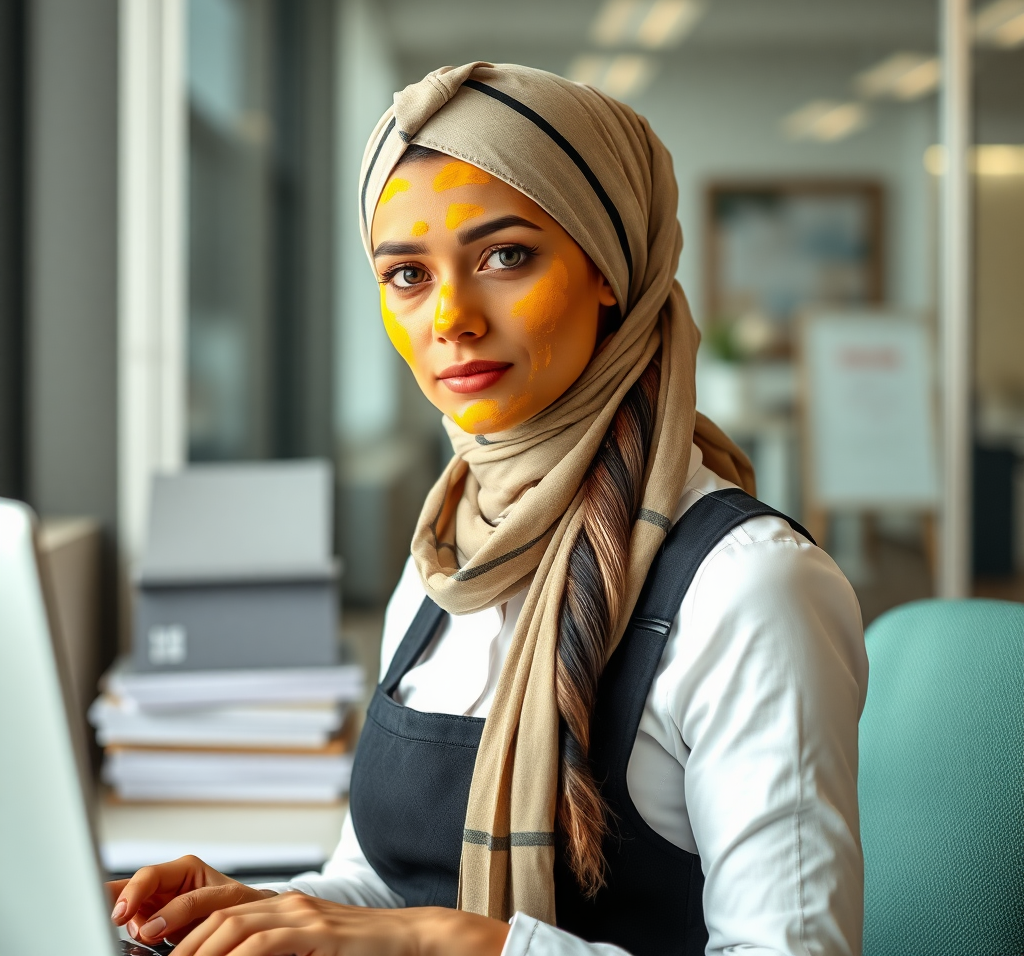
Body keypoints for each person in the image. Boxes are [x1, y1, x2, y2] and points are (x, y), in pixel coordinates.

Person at [109, 62, 868, 956]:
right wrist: (266, 913)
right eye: (406, 275)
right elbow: (383, 883)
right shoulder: (449, 553)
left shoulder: (750, 589)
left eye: (506, 256)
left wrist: (451, 944)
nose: (452, 317)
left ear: (609, 270)